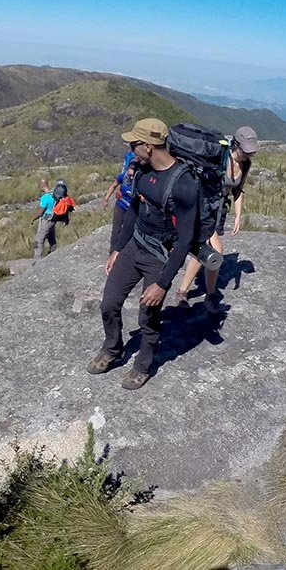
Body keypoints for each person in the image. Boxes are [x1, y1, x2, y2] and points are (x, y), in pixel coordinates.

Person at [88, 118, 200, 390]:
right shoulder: (141, 172)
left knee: (147, 316)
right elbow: (133, 214)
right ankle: (112, 348)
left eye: (134, 144)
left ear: (148, 146)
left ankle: (143, 364)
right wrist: (117, 249)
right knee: (108, 304)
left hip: (159, 256)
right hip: (133, 247)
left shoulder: (185, 185)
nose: (130, 149)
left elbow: (185, 240)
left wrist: (162, 284)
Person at [175, 126, 259, 312]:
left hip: (218, 213)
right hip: (204, 210)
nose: (248, 155)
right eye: (246, 151)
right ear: (236, 145)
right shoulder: (220, 159)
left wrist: (238, 215)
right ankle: (209, 296)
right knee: (215, 252)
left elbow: (238, 190)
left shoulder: (245, 165)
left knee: (204, 252)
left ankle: (183, 292)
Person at [102, 152, 140, 252]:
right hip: (121, 205)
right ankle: (112, 252)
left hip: (132, 208)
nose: (131, 177)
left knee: (128, 230)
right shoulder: (123, 176)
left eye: (133, 175)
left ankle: (124, 252)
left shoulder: (140, 180)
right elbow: (113, 186)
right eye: (130, 174)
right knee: (116, 231)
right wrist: (106, 199)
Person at [32, 179, 57, 258]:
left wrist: (33, 219)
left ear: (42, 186)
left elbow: (41, 212)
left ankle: (37, 258)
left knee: (39, 239)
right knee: (51, 236)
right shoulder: (54, 194)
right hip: (53, 218)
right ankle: (54, 252)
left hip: (46, 219)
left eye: (39, 186)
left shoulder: (45, 197)